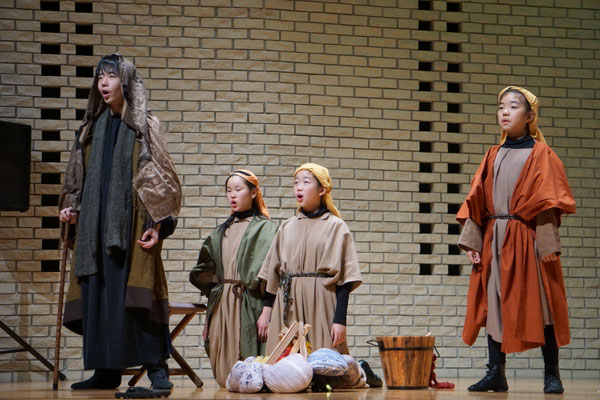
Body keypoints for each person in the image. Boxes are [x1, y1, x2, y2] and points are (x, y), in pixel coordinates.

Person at [58, 53, 182, 391]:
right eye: (100, 76)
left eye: (111, 76)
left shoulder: (144, 127)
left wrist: (157, 224)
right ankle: (107, 370)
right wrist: (72, 207)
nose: (104, 82)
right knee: (100, 297)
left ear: (125, 81)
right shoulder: (91, 129)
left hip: (132, 225)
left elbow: (163, 177)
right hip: (94, 228)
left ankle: (157, 370)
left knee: (138, 298)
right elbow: (78, 177)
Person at [456, 86, 576, 394]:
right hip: (494, 238)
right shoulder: (492, 154)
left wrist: (546, 247)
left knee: (542, 304)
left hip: (528, 239)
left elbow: (548, 201)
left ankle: (552, 373)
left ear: (530, 116)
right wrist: (473, 241)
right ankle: (496, 372)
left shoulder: (542, 154)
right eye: (501, 107)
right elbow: (476, 199)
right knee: (493, 303)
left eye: (512, 107)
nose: (505, 112)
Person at [257, 163, 382, 388]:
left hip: (321, 301)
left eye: (306, 182)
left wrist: (340, 320)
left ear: (322, 189)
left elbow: (345, 279)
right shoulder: (286, 227)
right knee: (283, 373)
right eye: (296, 182)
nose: (299, 187)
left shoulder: (336, 227)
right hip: (288, 302)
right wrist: (267, 310)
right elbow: (272, 273)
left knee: (330, 374)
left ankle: (362, 371)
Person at [189, 170, 278, 387]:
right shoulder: (220, 232)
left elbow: (273, 272)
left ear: (254, 193)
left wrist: (267, 310)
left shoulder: (266, 229)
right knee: (224, 373)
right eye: (229, 191)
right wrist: (209, 317)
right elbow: (210, 275)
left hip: (250, 302)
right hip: (222, 304)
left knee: (251, 369)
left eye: (238, 189)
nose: (233, 195)